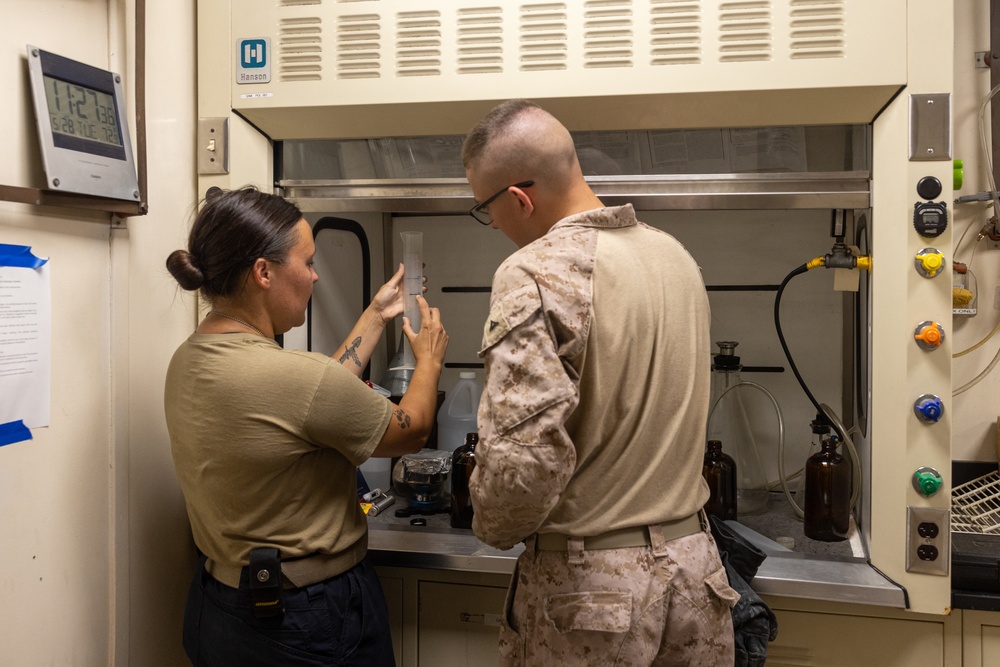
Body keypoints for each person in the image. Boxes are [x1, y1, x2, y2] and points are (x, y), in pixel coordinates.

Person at [463, 100, 739, 666]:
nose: (491, 223)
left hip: (591, 597)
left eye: (484, 208)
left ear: (518, 198)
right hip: (696, 576)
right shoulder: (675, 257)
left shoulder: (535, 270)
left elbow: (523, 463)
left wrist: (487, 521)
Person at [164, 186, 448, 666]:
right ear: (264, 272)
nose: (316, 276)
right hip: (306, 617)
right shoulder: (291, 376)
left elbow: (313, 399)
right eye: (309, 262)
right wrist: (430, 361)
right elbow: (412, 429)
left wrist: (377, 314)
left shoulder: (189, 359)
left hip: (219, 607)